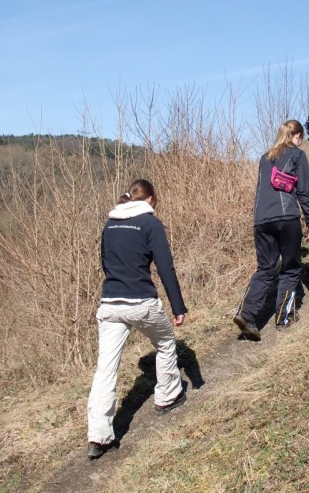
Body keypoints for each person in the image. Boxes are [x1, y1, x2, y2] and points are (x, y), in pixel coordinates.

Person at [87, 179, 188, 459]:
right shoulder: (150, 223)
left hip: (110, 302)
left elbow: (105, 262)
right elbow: (165, 266)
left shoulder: (110, 224)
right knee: (166, 341)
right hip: (141, 301)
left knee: (105, 369)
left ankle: (98, 436)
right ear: (151, 199)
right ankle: (167, 395)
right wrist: (178, 306)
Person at [234, 120, 309, 340]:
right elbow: (304, 192)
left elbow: (261, 190)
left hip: (260, 220)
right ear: (297, 135)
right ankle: (284, 316)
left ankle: (246, 314)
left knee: (265, 269)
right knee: (290, 268)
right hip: (286, 217)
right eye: (302, 137)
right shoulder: (297, 155)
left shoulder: (265, 158)